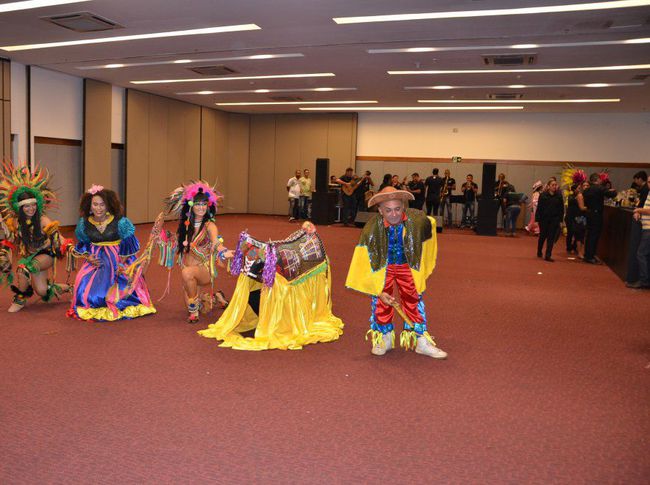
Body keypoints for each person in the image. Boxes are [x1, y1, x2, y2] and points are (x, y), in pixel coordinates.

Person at [345, 186, 446, 359]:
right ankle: (385, 338)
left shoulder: (417, 220)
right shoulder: (371, 227)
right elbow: (363, 260)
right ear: (380, 211)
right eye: (388, 210)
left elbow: (430, 224)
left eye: (398, 209)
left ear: (403, 207)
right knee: (381, 301)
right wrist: (377, 290)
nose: (394, 214)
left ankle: (421, 340)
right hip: (382, 267)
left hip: (407, 265)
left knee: (413, 299)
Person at [68, 185, 156, 321]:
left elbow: (129, 246)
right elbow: (84, 245)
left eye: (102, 205)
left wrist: (122, 264)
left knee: (121, 294)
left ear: (108, 205)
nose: (99, 208)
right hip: (96, 262)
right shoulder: (83, 224)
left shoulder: (120, 222)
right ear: (89, 206)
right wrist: (88, 256)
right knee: (89, 293)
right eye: (95, 204)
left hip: (118, 259)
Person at [0, 162, 73, 312]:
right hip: (29, 256)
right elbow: (10, 241)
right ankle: (69, 288)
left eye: (33, 205)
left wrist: (66, 244)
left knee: (24, 269)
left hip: (45, 254)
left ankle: (20, 299)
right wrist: (4, 253)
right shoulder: (16, 222)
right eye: (27, 206)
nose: (31, 209)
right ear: (20, 208)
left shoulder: (42, 220)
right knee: (42, 291)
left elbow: (56, 235)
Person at [166, 181, 234, 323]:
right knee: (201, 306)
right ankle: (216, 297)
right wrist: (162, 238)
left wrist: (223, 252)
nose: (201, 207)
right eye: (197, 204)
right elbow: (178, 243)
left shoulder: (210, 225)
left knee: (187, 275)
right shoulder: (185, 226)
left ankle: (194, 313)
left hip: (204, 269)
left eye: (204, 204)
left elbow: (216, 242)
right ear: (191, 206)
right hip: (189, 268)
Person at [581, 172, 616, 264]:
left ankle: (587, 255)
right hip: (596, 215)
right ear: (597, 180)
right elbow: (612, 194)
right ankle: (590, 256)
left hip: (589, 213)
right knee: (594, 236)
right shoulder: (599, 188)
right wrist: (613, 190)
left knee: (589, 235)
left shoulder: (586, 190)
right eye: (600, 179)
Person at [627, 180, 650, 289]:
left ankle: (644, 281)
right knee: (644, 254)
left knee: (641, 254)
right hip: (646, 227)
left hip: (649, 228)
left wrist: (638, 210)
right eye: (648, 182)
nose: (648, 184)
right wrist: (638, 211)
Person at [535, 179, 564, 261]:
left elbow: (561, 209)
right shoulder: (543, 195)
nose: (554, 186)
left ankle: (548, 255)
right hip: (544, 219)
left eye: (555, 185)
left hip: (554, 219)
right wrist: (537, 219)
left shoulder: (559, 196)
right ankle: (539, 250)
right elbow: (539, 208)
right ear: (548, 186)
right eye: (552, 185)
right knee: (543, 236)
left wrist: (561, 220)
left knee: (551, 237)